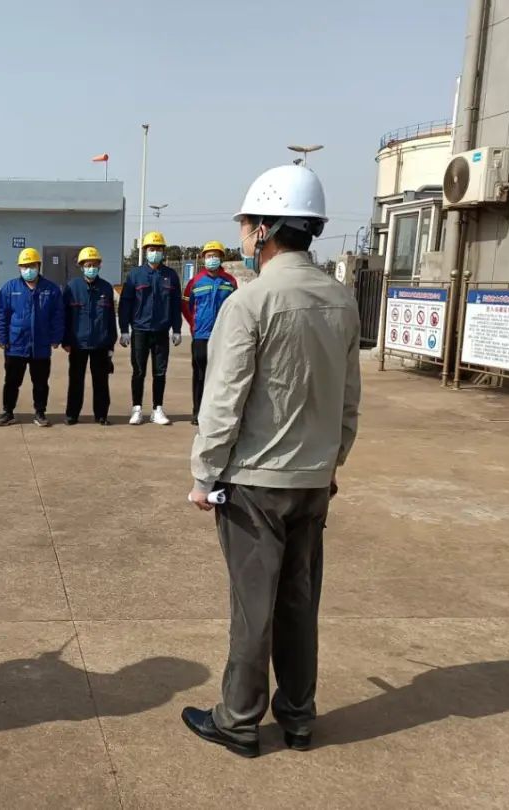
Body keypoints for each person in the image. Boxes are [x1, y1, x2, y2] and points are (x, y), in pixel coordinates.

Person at [182, 165, 362, 758]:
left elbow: (224, 400)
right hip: (313, 480)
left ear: (265, 229)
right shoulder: (341, 299)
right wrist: (332, 462)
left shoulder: (251, 301)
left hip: (255, 483)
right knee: (299, 602)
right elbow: (349, 399)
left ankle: (238, 720)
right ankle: (298, 716)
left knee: (252, 607)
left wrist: (204, 473)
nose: (241, 234)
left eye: (246, 223)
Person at [118, 230, 182, 426]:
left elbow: (176, 304)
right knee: (138, 371)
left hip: (161, 331)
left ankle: (157, 409)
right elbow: (125, 304)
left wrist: (177, 329)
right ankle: (137, 408)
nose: (155, 252)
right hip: (140, 330)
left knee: (160, 372)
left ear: (163, 252)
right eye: (151, 249)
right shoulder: (135, 275)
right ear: (145, 251)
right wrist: (124, 330)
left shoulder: (170, 275)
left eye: (158, 249)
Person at [0, 248, 65, 427]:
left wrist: (56, 337)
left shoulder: (51, 289)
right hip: (15, 345)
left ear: (38, 266)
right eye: (24, 266)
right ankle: (8, 412)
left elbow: (58, 315)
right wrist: (2, 338)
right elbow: (2, 315)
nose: (28, 270)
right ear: (19, 268)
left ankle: (40, 413)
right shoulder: (9, 289)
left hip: (41, 345)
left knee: (41, 383)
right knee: (12, 382)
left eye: (32, 266)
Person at [182, 240, 237, 426]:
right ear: (203, 258)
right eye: (209, 256)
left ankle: (216, 412)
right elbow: (186, 306)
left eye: (215, 256)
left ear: (221, 258)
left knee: (222, 375)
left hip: (222, 336)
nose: (212, 258)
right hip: (201, 336)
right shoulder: (195, 282)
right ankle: (197, 412)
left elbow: (235, 307)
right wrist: (194, 324)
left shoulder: (230, 281)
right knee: (200, 374)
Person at [62, 246, 117, 425]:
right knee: (75, 381)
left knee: (101, 382)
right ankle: (72, 414)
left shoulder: (106, 288)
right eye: (87, 265)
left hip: (100, 344)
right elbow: (65, 316)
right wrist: (65, 340)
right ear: (81, 266)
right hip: (78, 343)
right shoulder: (72, 287)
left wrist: (111, 343)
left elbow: (110, 318)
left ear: (99, 266)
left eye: (94, 264)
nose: (91, 268)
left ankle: (101, 415)